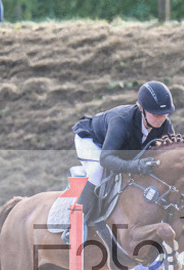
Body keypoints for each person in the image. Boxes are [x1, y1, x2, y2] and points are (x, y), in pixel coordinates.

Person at [67, 81, 175, 239]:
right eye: (156, 114)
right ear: (142, 109)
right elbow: (106, 159)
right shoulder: (122, 121)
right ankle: (75, 223)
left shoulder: (165, 125)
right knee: (98, 169)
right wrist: (136, 166)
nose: (161, 118)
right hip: (92, 141)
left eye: (165, 114)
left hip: (118, 149)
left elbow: (171, 154)